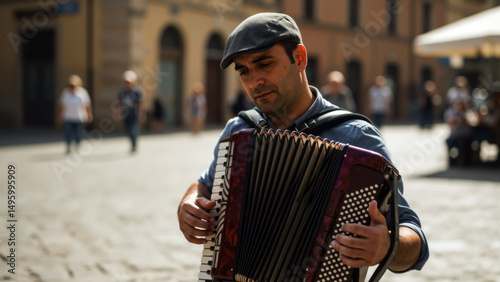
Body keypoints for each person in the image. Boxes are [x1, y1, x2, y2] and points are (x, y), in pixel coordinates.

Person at [177, 12, 428, 278]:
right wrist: (189, 200)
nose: (254, 81)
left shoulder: (358, 139)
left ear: (299, 58)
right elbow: (205, 183)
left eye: (264, 64)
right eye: (244, 71)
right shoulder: (238, 131)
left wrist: (387, 246)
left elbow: (414, 237)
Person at [56, 75, 93, 154]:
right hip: (68, 117)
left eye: (73, 86)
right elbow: (61, 105)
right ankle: (68, 146)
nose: (72, 87)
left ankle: (77, 145)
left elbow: (87, 105)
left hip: (79, 117)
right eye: (70, 86)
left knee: (78, 134)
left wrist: (89, 114)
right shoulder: (65, 93)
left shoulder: (82, 93)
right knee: (68, 133)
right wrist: (59, 116)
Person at [114, 70, 145, 153]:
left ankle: (134, 145)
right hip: (125, 114)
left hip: (134, 114)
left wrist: (141, 114)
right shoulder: (122, 91)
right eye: (125, 82)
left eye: (128, 82)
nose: (127, 84)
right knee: (128, 130)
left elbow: (141, 103)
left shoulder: (137, 91)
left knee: (133, 130)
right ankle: (132, 143)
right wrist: (117, 113)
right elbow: (119, 102)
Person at [444, 98, 474, 166]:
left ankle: (463, 160)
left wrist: (464, 117)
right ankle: (452, 161)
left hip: (465, 136)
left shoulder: (467, 113)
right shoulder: (452, 113)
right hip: (455, 135)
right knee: (452, 141)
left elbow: (471, 123)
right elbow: (452, 123)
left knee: (462, 141)